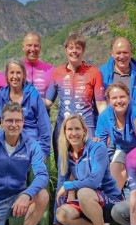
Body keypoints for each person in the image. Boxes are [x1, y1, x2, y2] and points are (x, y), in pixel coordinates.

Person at [54, 114, 123, 225]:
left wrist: (68, 186)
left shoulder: (97, 147)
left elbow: (94, 181)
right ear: (64, 132)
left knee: (83, 192)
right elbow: (61, 184)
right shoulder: (65, 154)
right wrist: (57, 224)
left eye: (77, 129)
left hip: (111, 201)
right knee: (61, 214)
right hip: (88, 201)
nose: (74, 133)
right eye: (69, 129)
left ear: (84, 131)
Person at [46, 33, 107, 167]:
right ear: (66, 50)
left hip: (87, 127)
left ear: (83, 50)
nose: (74, 51)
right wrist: (26, 95)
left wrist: (105, 130)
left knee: (88, 166)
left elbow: (101, 105)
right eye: (71, 48)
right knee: (63, 167)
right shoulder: (57, 72)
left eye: (78, 48)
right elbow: (48, 102)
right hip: (63, 128)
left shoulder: (94, 72)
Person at [0, 58, 51, 160]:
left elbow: (44, 125)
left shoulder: (33, 95)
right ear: (6, 75)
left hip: (32, 145)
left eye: (18, 73)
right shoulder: (0, 97)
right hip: (9, 147)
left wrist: (43, 151)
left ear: (24, 75)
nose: (15, 76)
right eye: (12, 73)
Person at [95, 83, 136, 192]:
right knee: (111, 185)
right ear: (109, 101)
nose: (119, 101)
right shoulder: (104, 116)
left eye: (122, 97)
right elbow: (100, 144)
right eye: (114, 98)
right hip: (123, 149)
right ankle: (114, 199)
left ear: (129, 97)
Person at [99, 37, 136, 107]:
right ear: (112, 54)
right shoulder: (101, 73)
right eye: (118, 53)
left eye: (125, 52)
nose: (122, 56)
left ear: (131, 52)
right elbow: (97, 103)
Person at [21, 32, 54, 105]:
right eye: (29, 45)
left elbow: (50, 101)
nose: (33, 49)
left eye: (36, 46)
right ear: (23, 47)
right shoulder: (14, 69)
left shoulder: (51, 70)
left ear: (40, 48)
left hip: (42, 111)